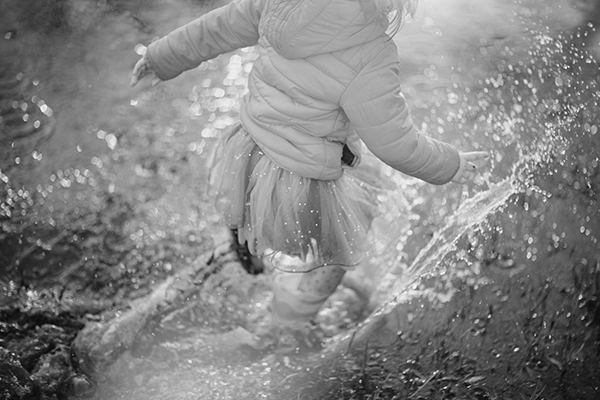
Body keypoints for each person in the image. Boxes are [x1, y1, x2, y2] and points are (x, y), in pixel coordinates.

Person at [130, 0, 488, 344]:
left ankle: (242, 235)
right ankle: (284, 323)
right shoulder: (372, 53)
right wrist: (449, 163)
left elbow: (218, 27)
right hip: (300, 181)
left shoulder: (277, 4)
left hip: (250, 155)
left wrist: (160, 56)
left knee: (265, 198)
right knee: (340, 250)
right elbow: (394, 143)